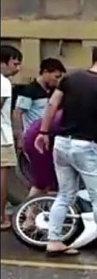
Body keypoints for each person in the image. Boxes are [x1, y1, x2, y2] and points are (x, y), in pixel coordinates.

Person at [35, 45, 97, 257]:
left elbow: (52, 105)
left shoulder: (70, 79)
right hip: (85, 146)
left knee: (65, 194)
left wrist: (43, 132)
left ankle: (54, 240)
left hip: (61, 143)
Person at [13, 57, 66, 137]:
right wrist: (20, 137)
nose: (58, 81)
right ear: (45, 72)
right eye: (56, 77)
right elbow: (17, 114)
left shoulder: (54, 92)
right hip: (31, 135)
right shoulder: (29, 90)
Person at [1, 44, 23, 230]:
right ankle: (2, 218)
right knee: (2, 179)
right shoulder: (3, 83)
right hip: (2, 138)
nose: (17, 69)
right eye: (14, 63)